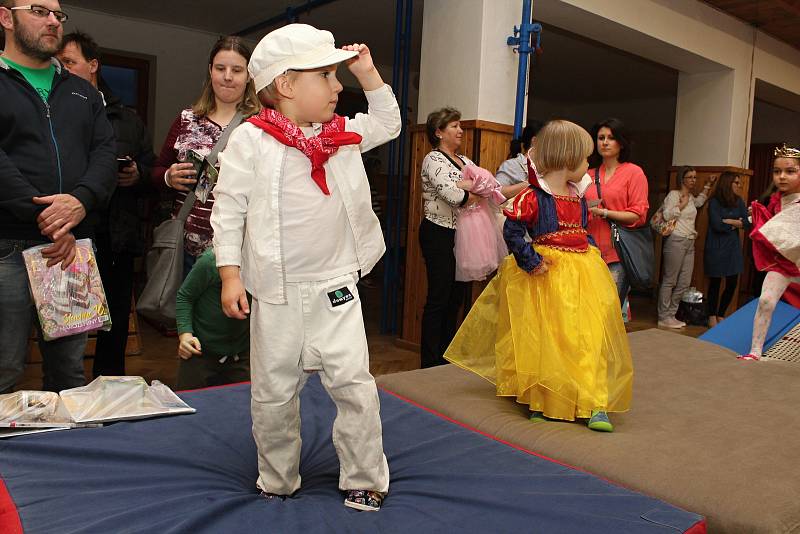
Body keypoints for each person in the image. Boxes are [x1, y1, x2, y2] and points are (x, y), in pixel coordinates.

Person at [210, 24, 400, 511]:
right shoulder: (251, 141)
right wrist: (230, 273)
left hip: (337, 286)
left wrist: (371, 75)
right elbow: (228, 209)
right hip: (276, 293)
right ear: (288, 84)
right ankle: (277, 477)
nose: (340, 86)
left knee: (354, 384)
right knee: (273, 393)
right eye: (328, 75)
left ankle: (364, 475)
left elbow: (390, 124)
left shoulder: (344, 136)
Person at [444, 120, 634, 432]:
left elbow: (582, 230)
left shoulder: (577, 195)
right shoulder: (533, 196)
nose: (589, 165)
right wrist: (530, 261)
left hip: (581, 274)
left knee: (586, 336)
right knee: (546, 339)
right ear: (567, 159)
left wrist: (591, 255)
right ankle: (543, 398)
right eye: (585, 159)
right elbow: (513, 231)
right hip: (546, 275)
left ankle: (592, 400)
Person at [0, 0, 116, 393]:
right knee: (4, 370)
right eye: (39, 11)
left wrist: (80, 201)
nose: (53, 21)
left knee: (69, 376)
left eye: (58, 15)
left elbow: (104, 154)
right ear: (6, 18)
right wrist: (50, 215)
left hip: (73, 248)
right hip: (7, 246)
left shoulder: (82, 91)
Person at [57, 30, 157, 377]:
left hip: (119, 235)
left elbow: (152, 167)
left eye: (69, 62)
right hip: (74, 236)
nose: (62, 69)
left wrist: (138, 175)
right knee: (68, 327)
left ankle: (109, 396)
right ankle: (66, 396)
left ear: (93, 65)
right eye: (58, 63)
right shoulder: (53, 112)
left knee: (113, 327)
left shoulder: (127, 118)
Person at [152, 35, 260, 277]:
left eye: (237, 70)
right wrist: (169, 177)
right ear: (210, 71)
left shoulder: (261, 126)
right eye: (221, 68)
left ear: (249, 75)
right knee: (183, 315)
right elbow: (157, 170)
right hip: (186, 251)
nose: (228, 76)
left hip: (242, 254)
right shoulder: (187, 119)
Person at [418, 107, 479, 368]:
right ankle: (429, 362)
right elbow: (454, 197)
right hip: (438, 232)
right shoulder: (433, 159)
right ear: (439, 132)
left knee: (456, 298)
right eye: (454, 126)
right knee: (439, 297)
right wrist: (471, 191)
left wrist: (471, 189)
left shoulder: (466, 161)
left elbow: (487, 188)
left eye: (460, 125)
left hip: (462, 235)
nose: (460, 130)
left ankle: (445, 358)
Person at [739, 144, 800, 361]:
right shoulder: (773, 201)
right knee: (766, 300)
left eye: (790, 171)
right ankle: (755, 351)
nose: (782, 177)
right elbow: (773, 230)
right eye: (777, 171)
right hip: (783, 263)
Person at [584, 118, 649, 305]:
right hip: (588, 251)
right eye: (600, 137)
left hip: (617, 253)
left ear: (621, 142)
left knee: (608, 312)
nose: (604, 142)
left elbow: (638, 215)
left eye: (611, 138)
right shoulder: (587, 173)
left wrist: (605, 213)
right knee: (588, 312)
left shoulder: (634, 173)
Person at [175, 249, 249, 390]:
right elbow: (185, 296)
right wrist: (185, 335)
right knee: (191, 404)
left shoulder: (263, 264)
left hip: (240, 355)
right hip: (199, 353)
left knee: (243, 407)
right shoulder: (210, 261)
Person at [656, 166, 713, 328]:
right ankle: (663, 316)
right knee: (670, 280)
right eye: (690, 177)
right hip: (676, 240)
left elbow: (700, 202)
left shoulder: (691, 197)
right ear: (682, 179)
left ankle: (671, 315)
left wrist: (708, 185)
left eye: (695, 177)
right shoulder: (674, 195)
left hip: (689, 242)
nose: (693, 180)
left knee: (684, 282)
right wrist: (680, 206)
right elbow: (666, 215)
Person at [704, 172, 749, 327]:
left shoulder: (739, 201)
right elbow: (717, 225)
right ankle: (711, 315)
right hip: (716, 246)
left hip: (732, 247)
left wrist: (729, 221)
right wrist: (737, 223)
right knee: (715, 282)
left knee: (732, 283)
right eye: (736, 182)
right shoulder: (715, 202)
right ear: (727, 183)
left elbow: (748, 224)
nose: (739, 185)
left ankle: (721, 314)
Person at [495, 120, 543, 198]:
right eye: (547, 142)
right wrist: (529, 185)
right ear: (534, 141)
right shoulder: (512, 164)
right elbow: (496, 192)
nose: (550, 147)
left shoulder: (548, 169)